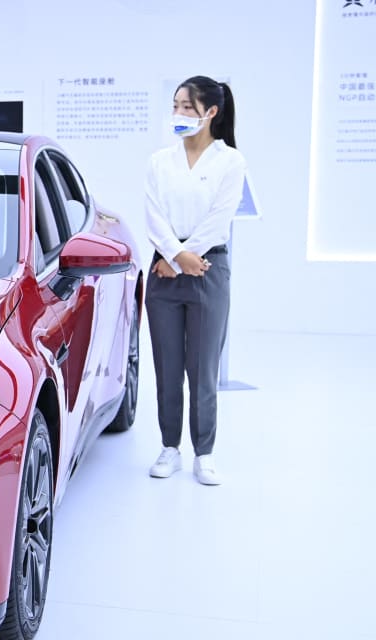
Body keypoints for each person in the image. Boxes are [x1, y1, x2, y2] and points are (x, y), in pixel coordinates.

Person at [143, 76, 246, 485]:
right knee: (167, 367)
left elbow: (220, 219)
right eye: (176, 105)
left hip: (207, 270)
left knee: (203, 369)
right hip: (164, 272)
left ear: (211, 112)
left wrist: (184, 258)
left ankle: (204, 452)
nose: (179, 113)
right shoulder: (159, 161)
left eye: (187, 106)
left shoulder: (230, 161)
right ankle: (170, 447)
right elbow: (153, 215)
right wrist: (173, 257)